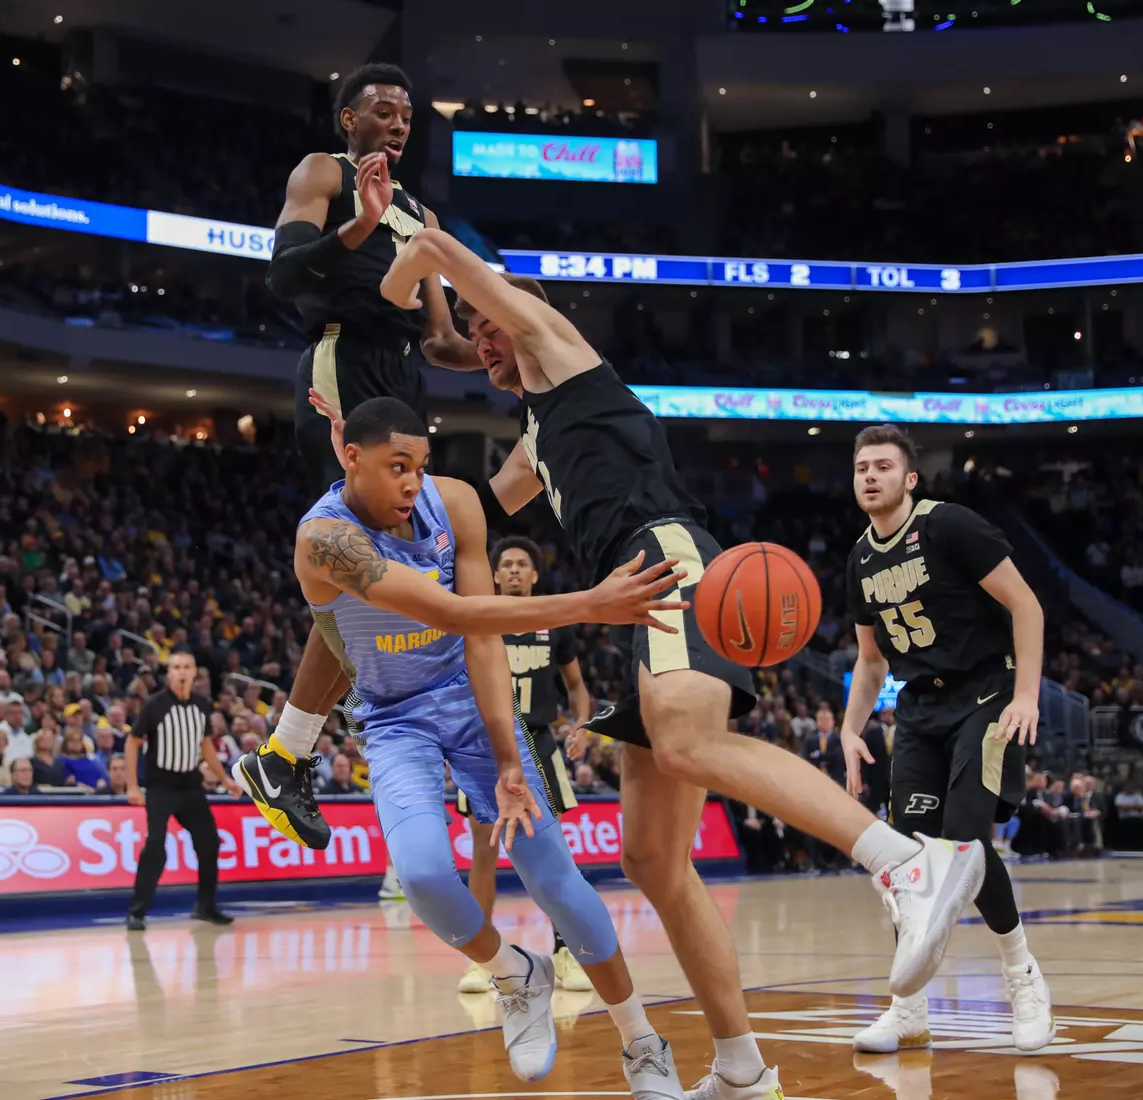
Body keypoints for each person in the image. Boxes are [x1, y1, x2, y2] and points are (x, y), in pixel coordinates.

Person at [375, 231, 987, 1100]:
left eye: (490, 325)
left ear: (521, 314)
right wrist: (380, 474)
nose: (484, 341)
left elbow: (452, 261)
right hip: (633, 596)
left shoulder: (557, 349)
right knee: (652, 858)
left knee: (687, 743)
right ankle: (742, 1069)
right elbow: (479, 504)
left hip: (668, 558)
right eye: (477, 334)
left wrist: (403, 269)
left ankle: (904, 863)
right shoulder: (537, 430)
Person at [281, 398, 706, 1097]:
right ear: (351, 457)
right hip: (394, 718)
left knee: (556, 880)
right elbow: (451, 611)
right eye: (397, 466)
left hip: (471, 701)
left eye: (420, 465)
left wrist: (509, 757)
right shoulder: (325, 540)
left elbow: (478, 638)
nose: (414, 483)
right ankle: (515, 972)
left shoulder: (454, 504)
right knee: (422, 875)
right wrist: (589, 602)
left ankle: (642, 1042)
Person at [244, 61, 478, 852]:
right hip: (341, 361)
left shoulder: (422, 214)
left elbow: (440, 339)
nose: (399, 122)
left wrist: (513, 349)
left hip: (403, 377)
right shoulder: (323, 173)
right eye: (383, 110)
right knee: (359, 565)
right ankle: (295, 750)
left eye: (407, 114)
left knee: (393, 572)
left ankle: (286, 755)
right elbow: (283, 276)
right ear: (350, 119)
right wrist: (358, 225)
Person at [836, 424, 1054, 1054]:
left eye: (883, 466)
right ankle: (908, 1011)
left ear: (910, 479)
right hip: (920, 709)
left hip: (986, 693)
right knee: (905, 858)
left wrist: (1026, 695)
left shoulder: (948, 525)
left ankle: (1023, 976)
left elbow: (1027, 606)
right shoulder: (859, 558)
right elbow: (871, 660)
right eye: (862, 468)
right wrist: (850, 728)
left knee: (963, 842)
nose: (870, 476)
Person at [458, 536, 594, 996]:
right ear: (494, 575)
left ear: (534, 575)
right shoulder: (476, 620)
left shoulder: (553, 622)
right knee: (484, 852)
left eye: (522, 564)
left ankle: (565, 951)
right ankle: (483, 960)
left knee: (551, 856)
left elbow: (577, 687)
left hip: (537, 742)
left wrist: (581, 724)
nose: (514, 570)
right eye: (507, 564)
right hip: (483, 747)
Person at [126, 651, 239, 929]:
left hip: (191, 785)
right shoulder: (155, 704)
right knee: (155, 845)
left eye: (186, 667)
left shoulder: (202, 704)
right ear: (169, 673)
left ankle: (205, 906)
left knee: (209, 842)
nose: (181, 672)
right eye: (176, 667)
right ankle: (137, 912)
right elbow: (132, 741)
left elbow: (205, 744)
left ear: (194, 672)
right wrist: (132, 785)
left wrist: (224, 779)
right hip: (160, 785)